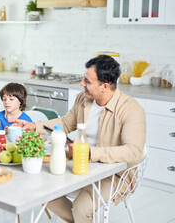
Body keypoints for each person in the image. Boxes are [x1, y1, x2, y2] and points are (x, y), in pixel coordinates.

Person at [15, 55, 146, 223]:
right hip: (79, 164)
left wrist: (89, 152)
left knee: (81, 208)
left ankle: (80, 218)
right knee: (40, 190)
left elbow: (133, 151)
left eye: (88, 81)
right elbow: (65, 123)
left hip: (115, 174)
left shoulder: (131, 109)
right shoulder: (84, 99)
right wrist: (35, 126)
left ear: (104, 86)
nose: (82, 84)